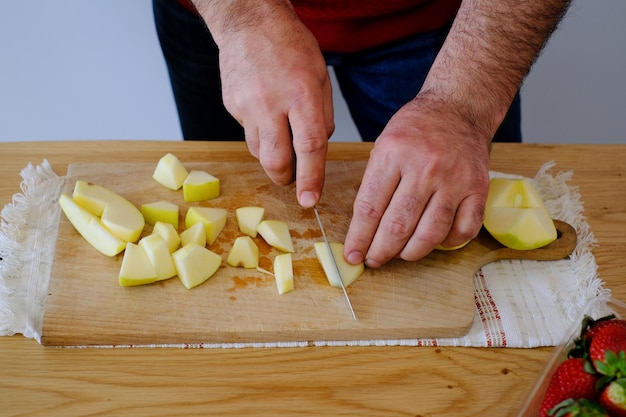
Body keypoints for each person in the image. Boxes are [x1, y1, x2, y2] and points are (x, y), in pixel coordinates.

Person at [152, 0, 571, 269]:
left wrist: (463, 105)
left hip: (445, 26)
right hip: (215, 16)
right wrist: (242, 15)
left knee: (455, 213)